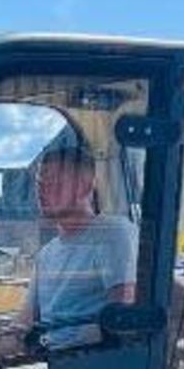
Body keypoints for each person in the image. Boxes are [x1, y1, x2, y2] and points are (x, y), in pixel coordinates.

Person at [24, 141, 137, 335]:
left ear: (85, 187)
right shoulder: (46, 254)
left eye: (54, 184)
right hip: (50, 357)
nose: (42, 192)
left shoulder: (113, 234)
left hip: (89, 361)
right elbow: (24, 322)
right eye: (40, 184)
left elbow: (122, 319)